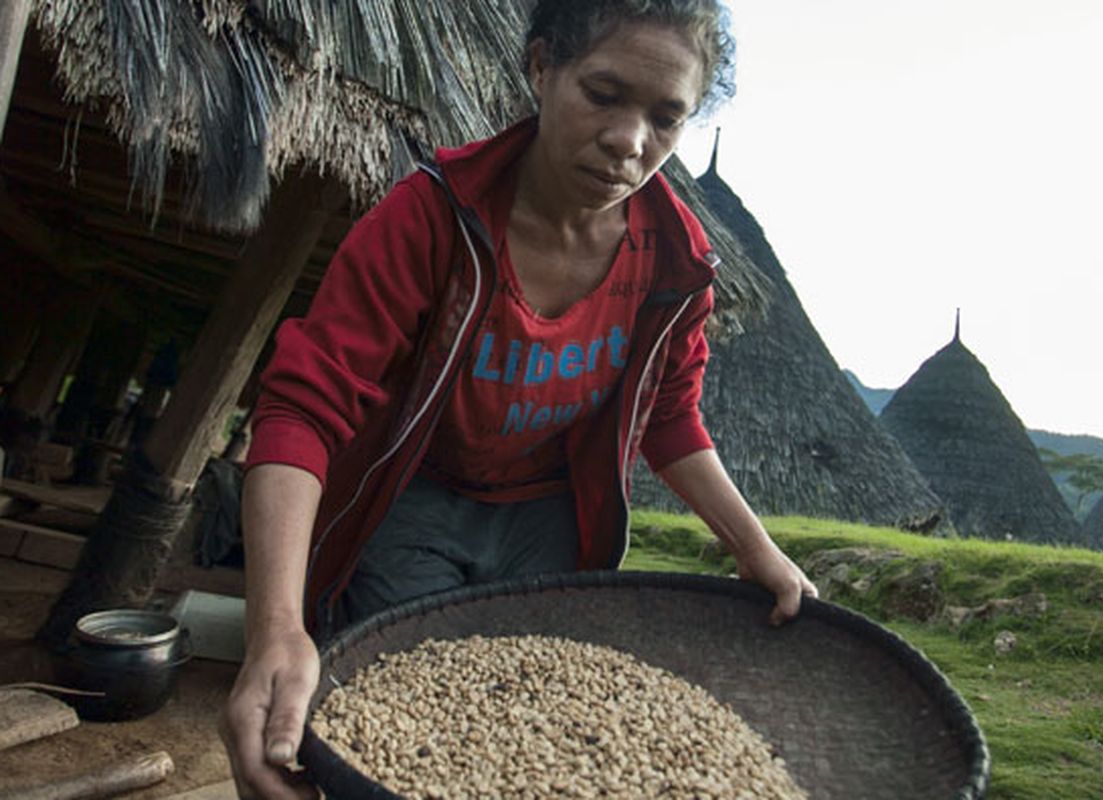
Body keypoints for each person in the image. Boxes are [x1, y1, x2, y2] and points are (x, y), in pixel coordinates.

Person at [220, 1, 818, 797]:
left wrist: (756, 548)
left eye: (666, 118)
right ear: (542, 68)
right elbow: (303, 407)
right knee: (414, 725)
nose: (630, 142)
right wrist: (276, 631)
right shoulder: (433, 217)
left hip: (551, 523)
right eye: (604, 94)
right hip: (416, 505)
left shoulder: (676, 265)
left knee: (524, 729)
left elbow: (669, 418)